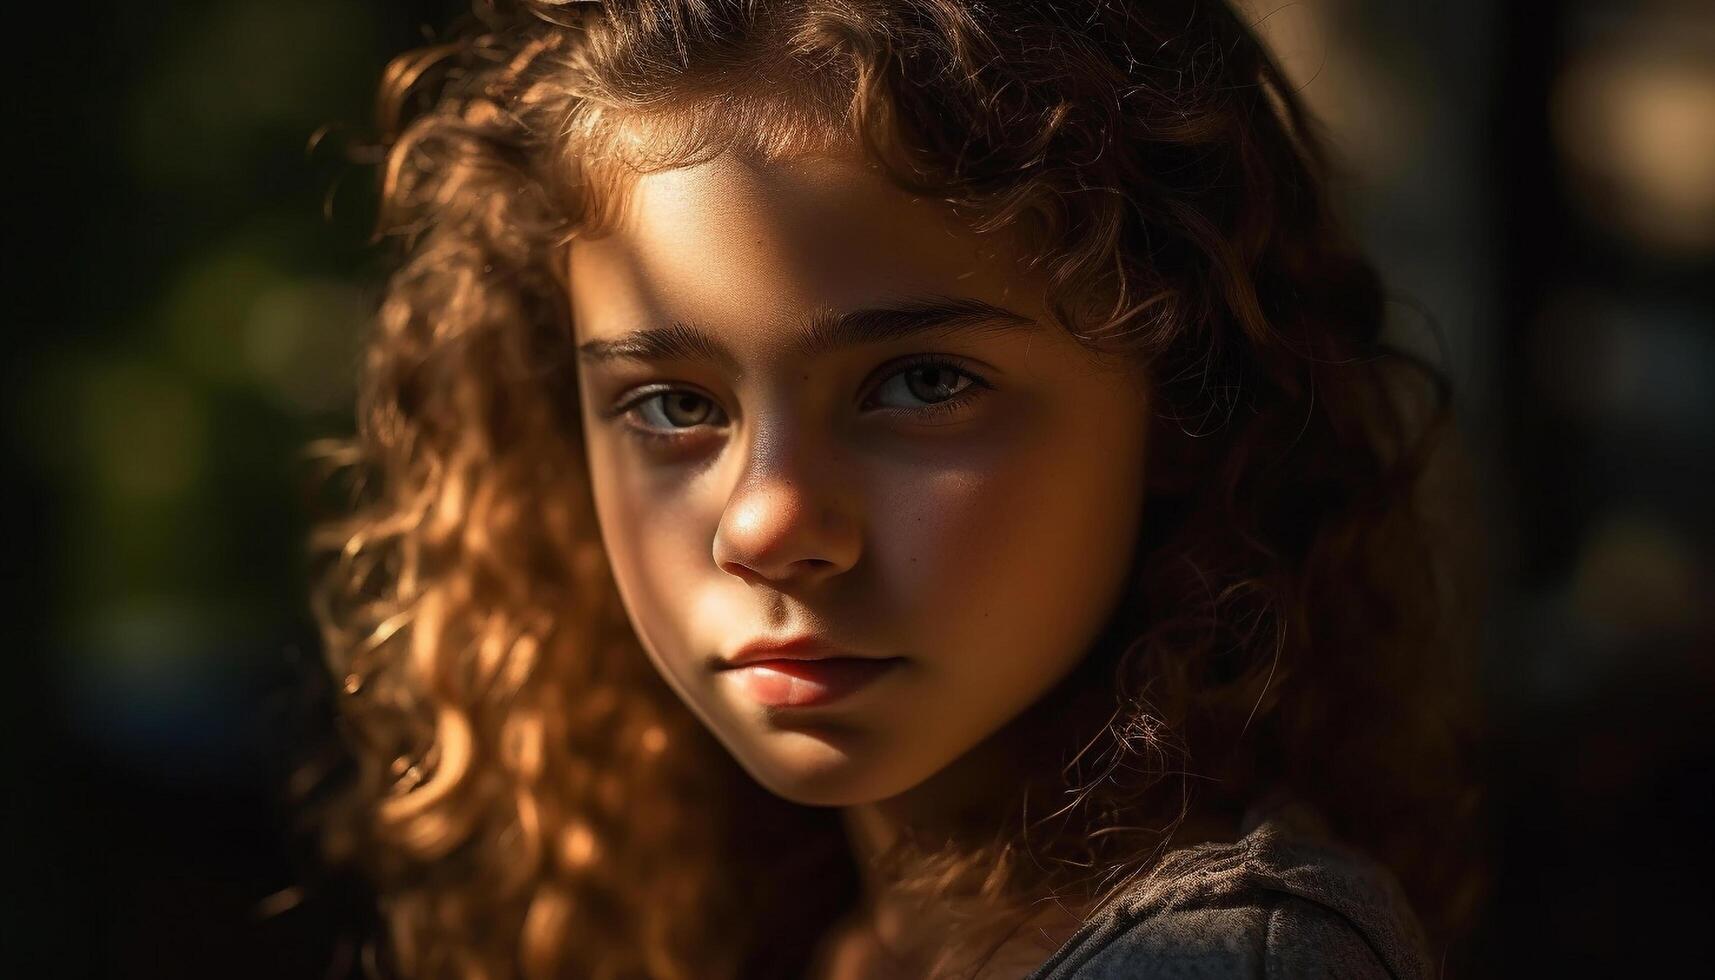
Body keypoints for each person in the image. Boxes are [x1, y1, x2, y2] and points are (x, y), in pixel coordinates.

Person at [304, 1, 1486, 977]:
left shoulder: (1228, 962)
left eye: (921, 382)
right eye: (672, 405)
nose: (765, 524)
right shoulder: (811, 936)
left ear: (1182, 399)